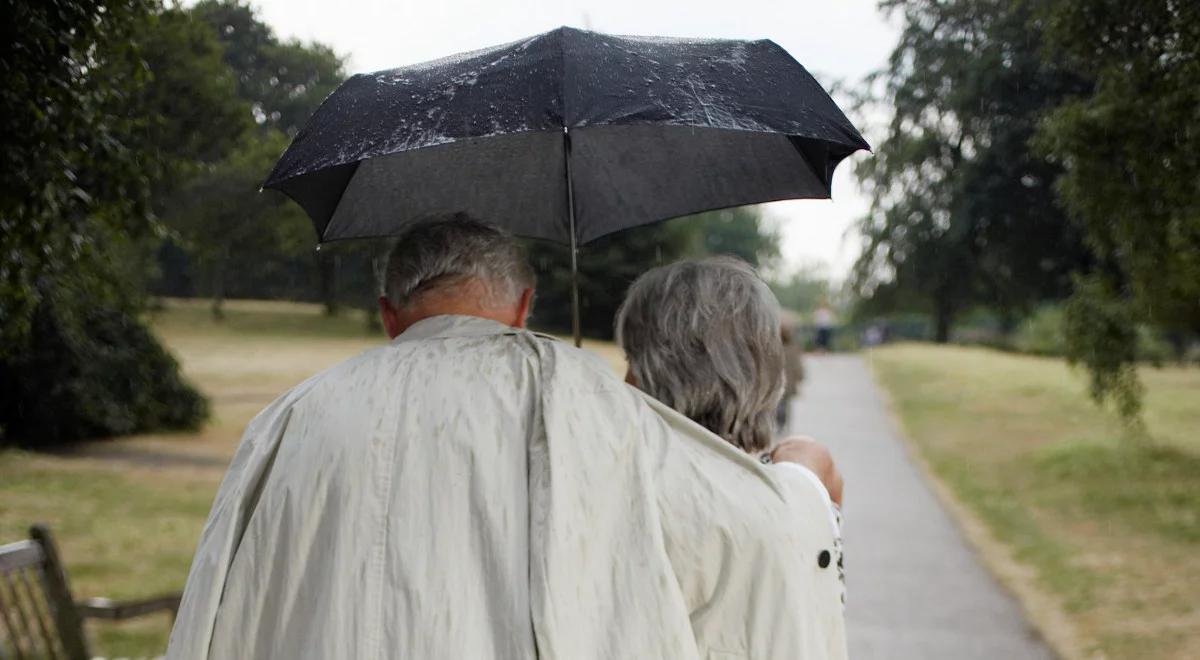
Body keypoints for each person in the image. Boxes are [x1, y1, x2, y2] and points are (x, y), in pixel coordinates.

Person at [167, 217, 846, 660]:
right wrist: (804, 485)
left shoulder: (284, 420)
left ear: (386, 314)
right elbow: (736, 530)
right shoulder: (580, 399)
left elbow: (210, 616)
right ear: (523, 307)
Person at [615, 257, 846, 622]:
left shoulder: (624, 501)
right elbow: (819, 467)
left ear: (648, 372)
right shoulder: (798, 495)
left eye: (630, 359)